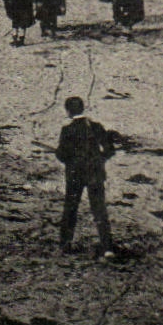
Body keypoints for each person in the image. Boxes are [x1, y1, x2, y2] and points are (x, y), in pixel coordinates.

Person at [56, 96, 116, 259]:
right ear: (83, 109)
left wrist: (68, 158)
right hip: (95, 174)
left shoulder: (67, 130)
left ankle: (65, 244)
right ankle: (107, 248)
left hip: (75, 175)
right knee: (99, 210)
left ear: (68, 111)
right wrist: (99, 159)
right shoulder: (96, 127)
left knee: (71, 208)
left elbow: (62, 155)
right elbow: (110, 150)